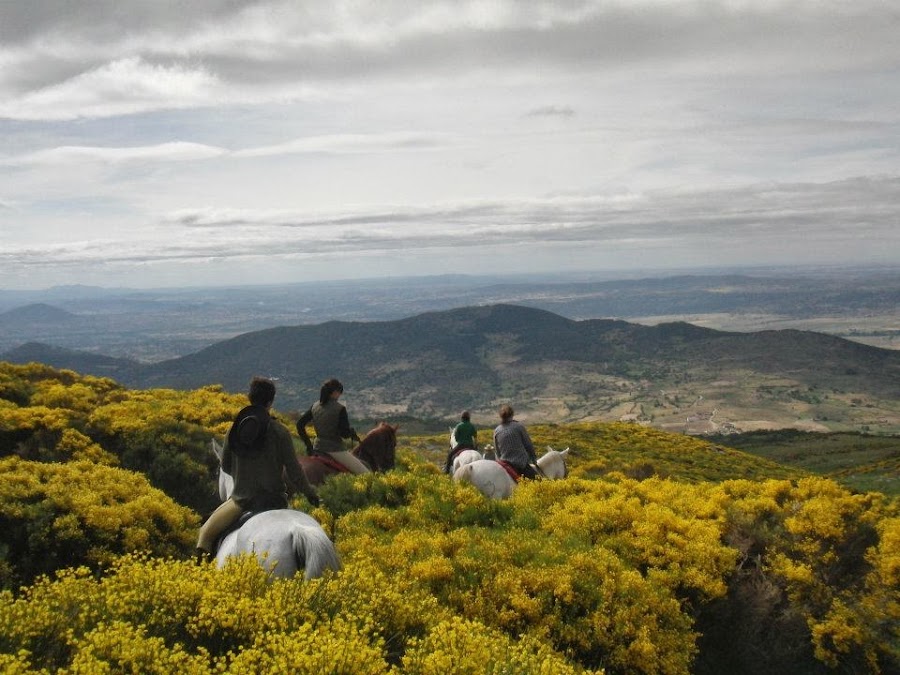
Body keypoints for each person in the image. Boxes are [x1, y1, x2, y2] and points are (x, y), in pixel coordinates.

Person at [196, 376, 320, 561]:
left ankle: (202, 573)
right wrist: (310, 493)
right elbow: (295, 471)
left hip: (242, 501)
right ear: (271, 401)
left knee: (205, 534)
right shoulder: (280, 431)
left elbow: (227, 466)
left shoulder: (234, 430)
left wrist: (245, 476)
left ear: (249, 398)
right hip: (275, 500)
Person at [296, 378, 369, 474]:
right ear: (335, 392)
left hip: (317, 447)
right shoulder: (340, 408)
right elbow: (345, 434)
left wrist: (308, 445)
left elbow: (299, 424)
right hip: (334, 449)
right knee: (366, 474)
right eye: (340, 393)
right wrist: (351, 432)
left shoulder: (315, 406)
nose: (339, 396)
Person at [492, 403, 538, 480]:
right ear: (512, 415)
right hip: (521, 464)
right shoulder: (518, 426)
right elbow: (528, 445)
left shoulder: (497, 430)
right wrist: (533, 458)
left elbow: (497, 451)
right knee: (538, 482)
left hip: (505, 464)